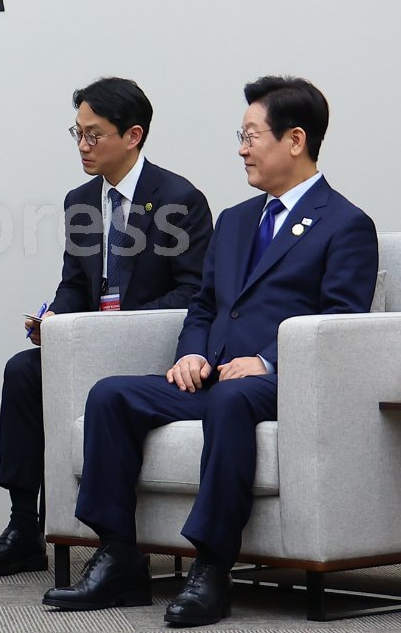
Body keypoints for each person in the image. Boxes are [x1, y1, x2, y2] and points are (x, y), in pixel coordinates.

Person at [42, 76, 379, 626]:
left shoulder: (346, 224)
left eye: (251, 136)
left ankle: (212, 568)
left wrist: (267, 361)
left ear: (295, 140)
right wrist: (192, 354)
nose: (241, 149)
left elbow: (339, 322)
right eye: (240, 136)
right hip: (216, 377)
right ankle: (119, 556)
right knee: (111, 396)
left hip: (282, 384)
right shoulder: (237, 219)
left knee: (231, 400)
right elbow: (202, 305)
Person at [0, 77, 213, 577]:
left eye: (94, 134)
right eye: (77, 133)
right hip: (89, 344)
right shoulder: (80, 200)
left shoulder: (178, 199)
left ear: (133, 135)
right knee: (23, 371)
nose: (82, 145)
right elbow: (75, 284)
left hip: (147, 346)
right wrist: (56, 319)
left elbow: (192, 293)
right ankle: (23, 526)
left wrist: (116, 324)